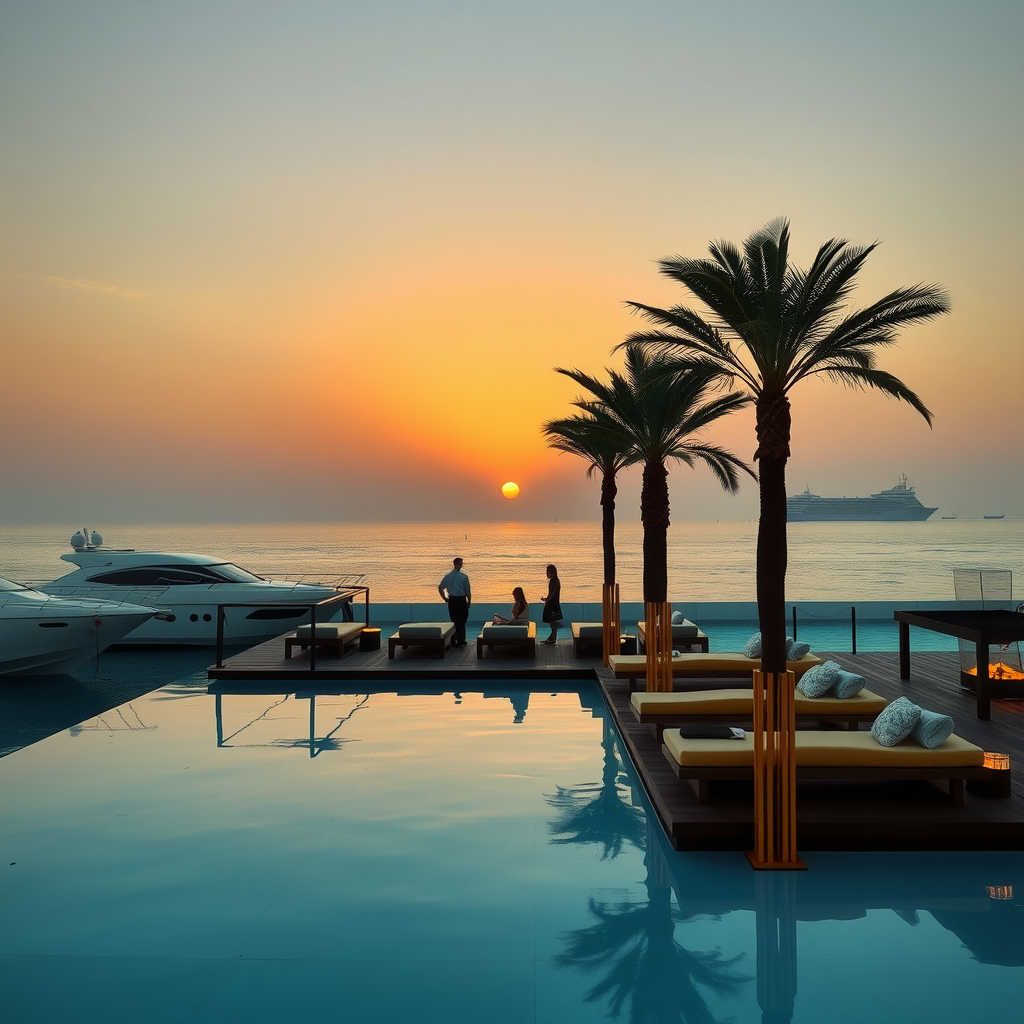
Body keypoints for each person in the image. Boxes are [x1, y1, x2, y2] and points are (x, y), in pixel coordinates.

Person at [438, 557, 471, 647]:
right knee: (462, 620)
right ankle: (460, 639)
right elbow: (467, 591)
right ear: (457, 564)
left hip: (452, 599)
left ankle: (454, 639)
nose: (461, 565)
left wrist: (445, 598)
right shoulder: (463, 576)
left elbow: (440, 587)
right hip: (460, 599)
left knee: (454, 620)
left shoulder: (448, 576)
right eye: (461, 564)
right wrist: (469, 601)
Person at [541, 563, 562, 644]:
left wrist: (547, 601)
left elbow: (552, 593)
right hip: (554, 603)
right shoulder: (556, 580)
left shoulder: (553, 581)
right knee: (552, 622)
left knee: (552, 622)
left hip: (552, 604)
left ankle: (552, 638)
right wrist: (546, 599)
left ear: (552, 572)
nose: (546, 573)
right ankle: (552, 637)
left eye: (548, 571)